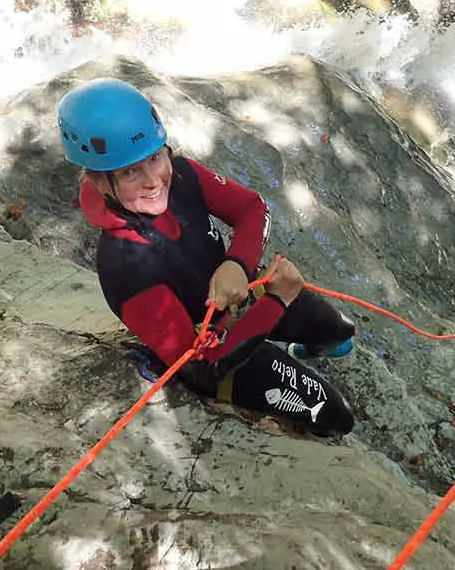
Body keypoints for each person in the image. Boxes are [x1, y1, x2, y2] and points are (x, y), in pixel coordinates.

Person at [58, 77, 357, 435]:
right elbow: (201, 366)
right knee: (339, 417)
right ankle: (272, 413)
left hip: (243, 294)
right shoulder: (123, 266)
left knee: (340, 331)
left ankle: (300, 349)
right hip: (217, 350)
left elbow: (252, 208)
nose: (153, 180)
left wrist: (237, 264)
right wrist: (276, 303)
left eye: (154, 158)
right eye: (129, 172)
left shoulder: (183, 175)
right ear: (98, 183)